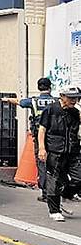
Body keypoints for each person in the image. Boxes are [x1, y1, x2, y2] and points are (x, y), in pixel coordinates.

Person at [2, 77, 56, 200]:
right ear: (50, 87)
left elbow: (19, 101)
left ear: (38, 88)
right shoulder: (56, 101)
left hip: (39, 137)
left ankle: (46, 193)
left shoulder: (34, 101)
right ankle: (56, 191)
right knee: (54, 163)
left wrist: (7, 99)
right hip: (54, 138)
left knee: (42, 164)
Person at [37, 85, 81, 222]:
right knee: (53, 181)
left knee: (79, 177)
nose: (74, 100)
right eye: (71, 98)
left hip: (72, 151)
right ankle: (54, 210)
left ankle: (66, 193)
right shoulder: (50, 110)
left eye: (76, 98)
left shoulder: (75, 112)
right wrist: (42, 148)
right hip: (54, 151)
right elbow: (42, 130)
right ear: (62, 96)